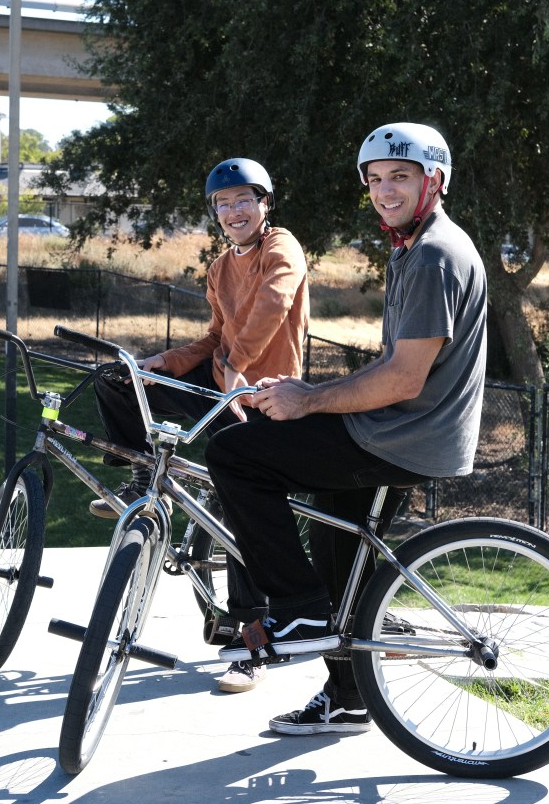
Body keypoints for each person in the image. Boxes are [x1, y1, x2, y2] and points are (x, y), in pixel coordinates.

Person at [205, 121, 487, 734]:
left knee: (234, 455)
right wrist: (317, 399)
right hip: (401, 429)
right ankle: (349, 696)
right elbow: (396, 366)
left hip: (404, 435)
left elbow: (404, 378)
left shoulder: (434, 255)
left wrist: (311, 400)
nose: (385, 191)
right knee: (339, 553)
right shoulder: (415, 247)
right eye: (375, 179)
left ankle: (296, 610)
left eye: (400, 177)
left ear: (434, 180)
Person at [89, 157, 310, 693]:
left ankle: (249, 643)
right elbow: (215, 337)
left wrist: (236, 365)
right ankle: (140, 480)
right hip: (218, 386)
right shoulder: (219, 268)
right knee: (117, 381)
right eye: (223, 204)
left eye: (244, 200)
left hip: (264, 397)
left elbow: (274, 303)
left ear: (264, 203)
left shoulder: (281, 247)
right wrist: (164, 362)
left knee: (241, 512)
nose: (234, 211)